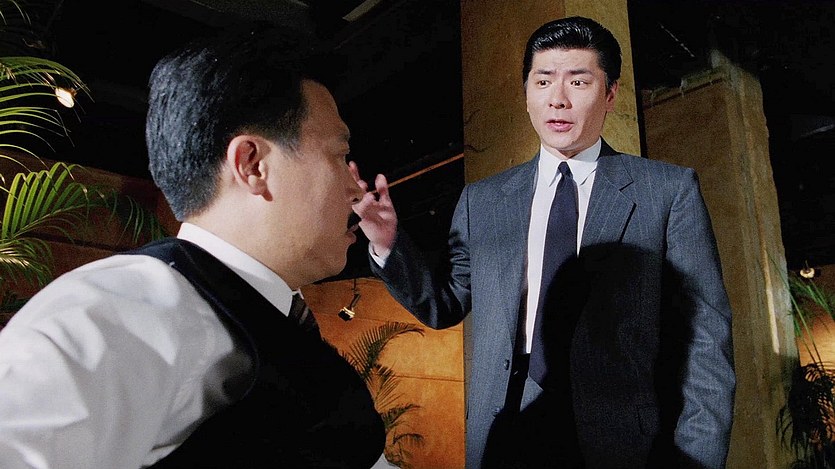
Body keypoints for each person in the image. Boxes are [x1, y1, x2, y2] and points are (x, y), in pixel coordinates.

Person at [352, 16, 735, 469]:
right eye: (543, 81)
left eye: (579, 81)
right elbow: (445, 304)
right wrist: (388, 245)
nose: (558, 98)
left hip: (619, 441)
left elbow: (705, 342)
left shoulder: (667, 192)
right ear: (527, 95)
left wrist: (697, 461)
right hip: (507, 429)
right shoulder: (483, 200)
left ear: (611, 94)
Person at [0, 25, 390, 469]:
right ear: (252, 165)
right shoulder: (124, 312)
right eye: (340, 155)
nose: (355, 190)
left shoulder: (274, 314)